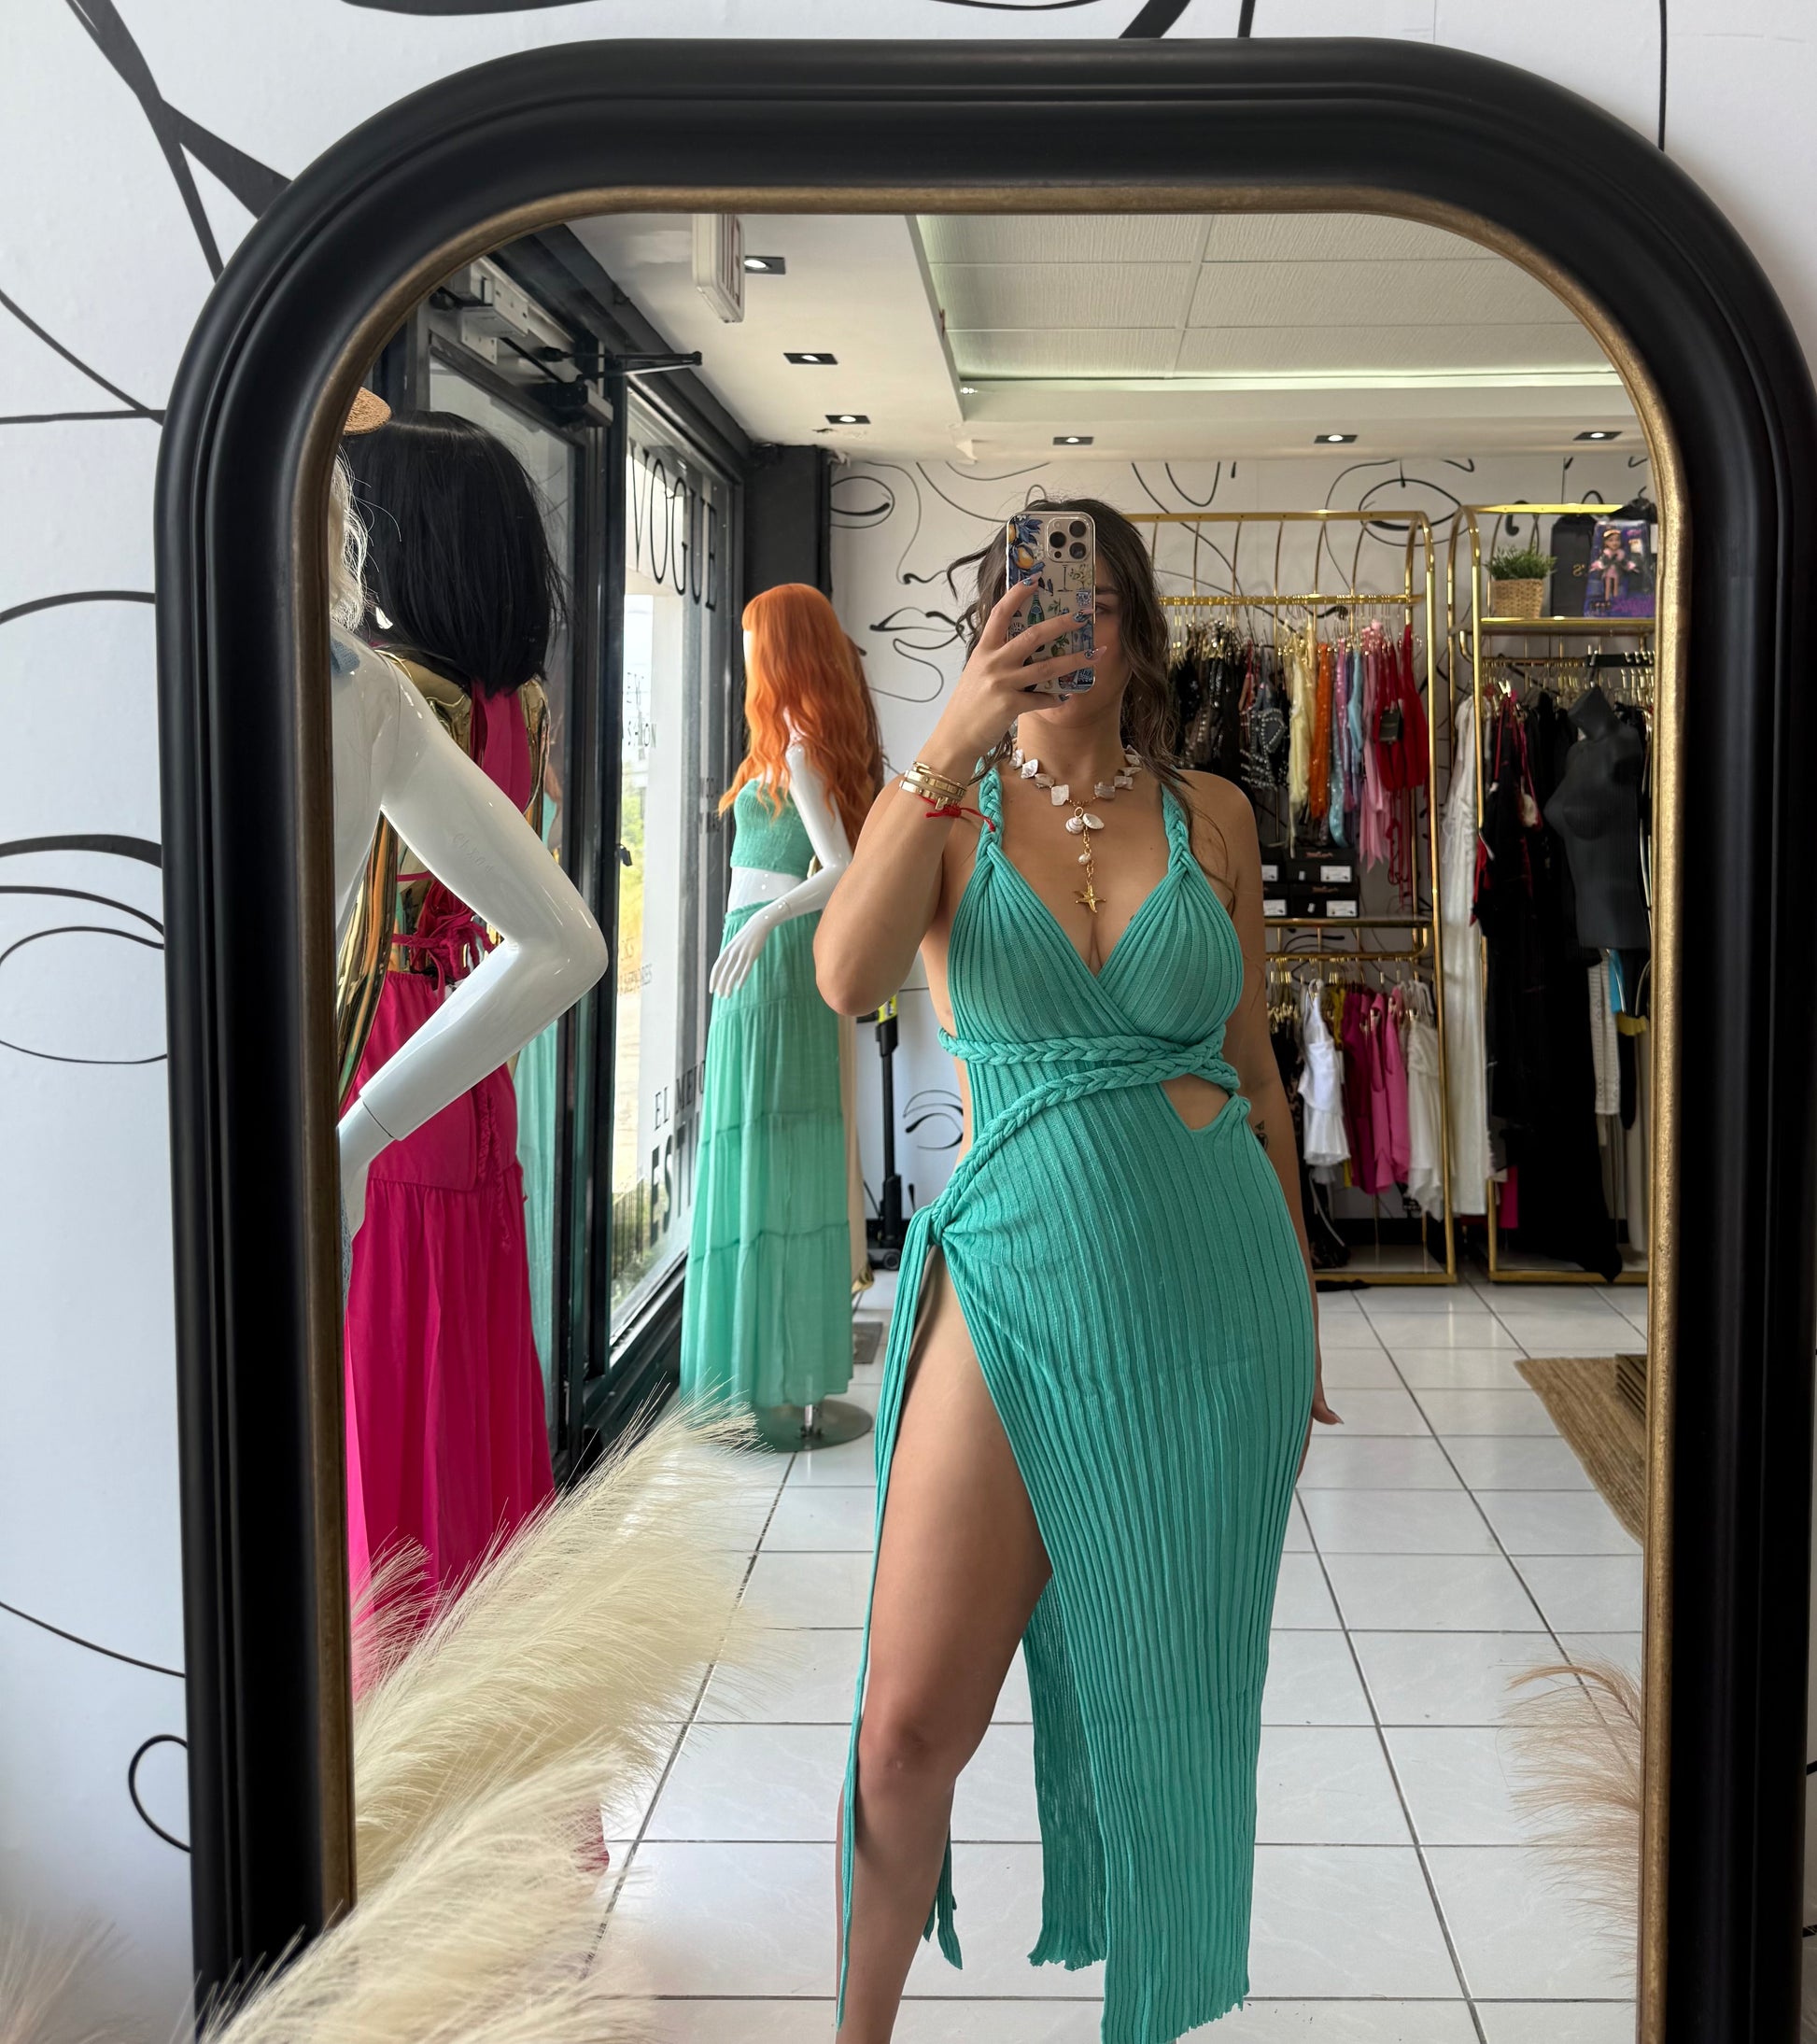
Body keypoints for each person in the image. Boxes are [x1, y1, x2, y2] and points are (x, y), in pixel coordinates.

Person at [814, 499, 1340, 2044]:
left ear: (1138, 627)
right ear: (990, 622)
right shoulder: (945, 812)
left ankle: (1154, 2010)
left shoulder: (1214, 817)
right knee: (906, 1729)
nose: (1063, 622)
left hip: (1214, 1299)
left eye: (1093, 596)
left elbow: (1255, 1080)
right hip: (1013, 1284)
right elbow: (846, 978)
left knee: (1171, 1711)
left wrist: (1303, 1316)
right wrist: (950, 737)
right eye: (1030, 597)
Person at [338, 410, 572, 1608]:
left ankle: (383, 1646)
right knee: (466, 1344)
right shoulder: (516, 707)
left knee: (381, 1360)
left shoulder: (390, 697)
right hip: (472, 1044)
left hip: (385, 1034)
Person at [680, 583, 885, 1419]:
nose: (744, 656)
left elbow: (842, 867)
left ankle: (768, 1371)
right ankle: (758, 1368)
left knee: (767, 1149)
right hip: (755, 958)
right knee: (757, 1147)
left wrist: (766, 919)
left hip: (773, 960)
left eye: (753, 639)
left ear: (783, 648)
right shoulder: (784, 744)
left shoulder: (800, 748)